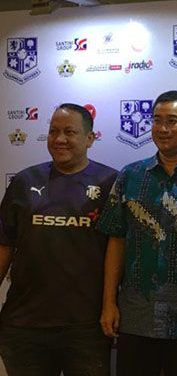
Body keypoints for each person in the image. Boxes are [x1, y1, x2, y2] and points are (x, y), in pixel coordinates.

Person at [97, 91, 177, 376]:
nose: (162, 129)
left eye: (172, 121)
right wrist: (108, 303)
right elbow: (116, 240)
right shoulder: (131, 176)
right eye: (156, 120)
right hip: (136, 316)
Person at [0, 103, 117, 376]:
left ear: (90, 138)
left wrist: (111, 303)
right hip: (24, 325)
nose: (60, 139)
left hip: (86, 327)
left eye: (69, 132)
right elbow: (5, 244)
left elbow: (117, 247)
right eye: (53, 131)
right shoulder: (24, 180)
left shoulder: (110, 182)